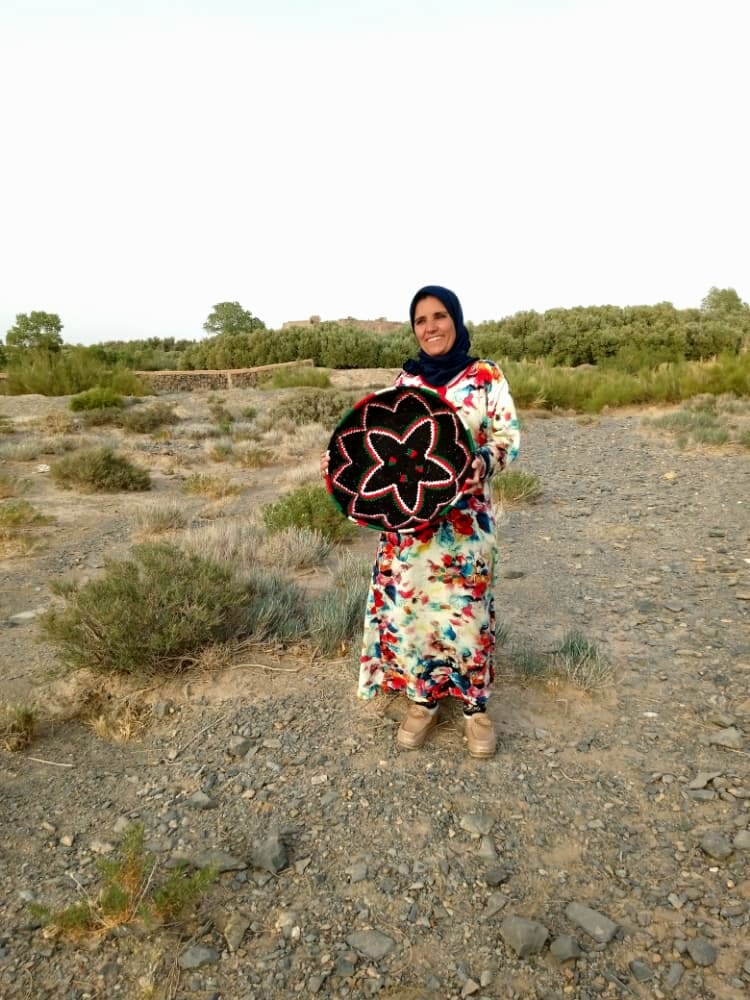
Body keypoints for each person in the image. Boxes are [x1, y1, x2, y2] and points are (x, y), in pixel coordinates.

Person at [322, 285, 520, 758]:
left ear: (455, 318)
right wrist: (341, 471)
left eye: (439, 316)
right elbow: (373, 440)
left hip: (465, 529)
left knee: (467, 617)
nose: (430, 327)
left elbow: (507, 437)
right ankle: (423, 700)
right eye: (420, 320)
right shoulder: (405, 382)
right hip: (407, 531)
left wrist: (485, 462)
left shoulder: (485, 376)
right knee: (413, 617)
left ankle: (475, 709)